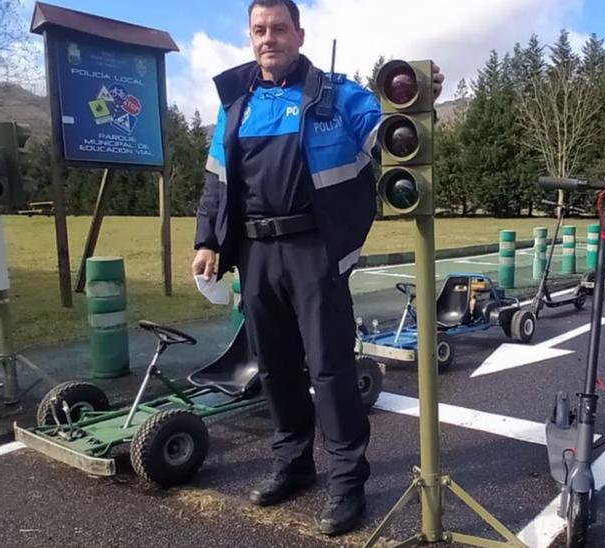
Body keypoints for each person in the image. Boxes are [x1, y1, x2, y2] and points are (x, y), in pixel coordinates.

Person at [192, 0, 442, 536]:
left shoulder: (337, 96)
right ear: (250, 35)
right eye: (259, 29)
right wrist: (208, 240)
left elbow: (392, 133)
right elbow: (217, 178)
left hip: (315, 251)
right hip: (254, 253)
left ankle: (348, 483)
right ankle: (294, 464)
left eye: (279, 28)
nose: (269, 38)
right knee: (275, 368)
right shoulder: (235, 101)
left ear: (299, 34)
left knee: (329, 369)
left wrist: (419, 105)